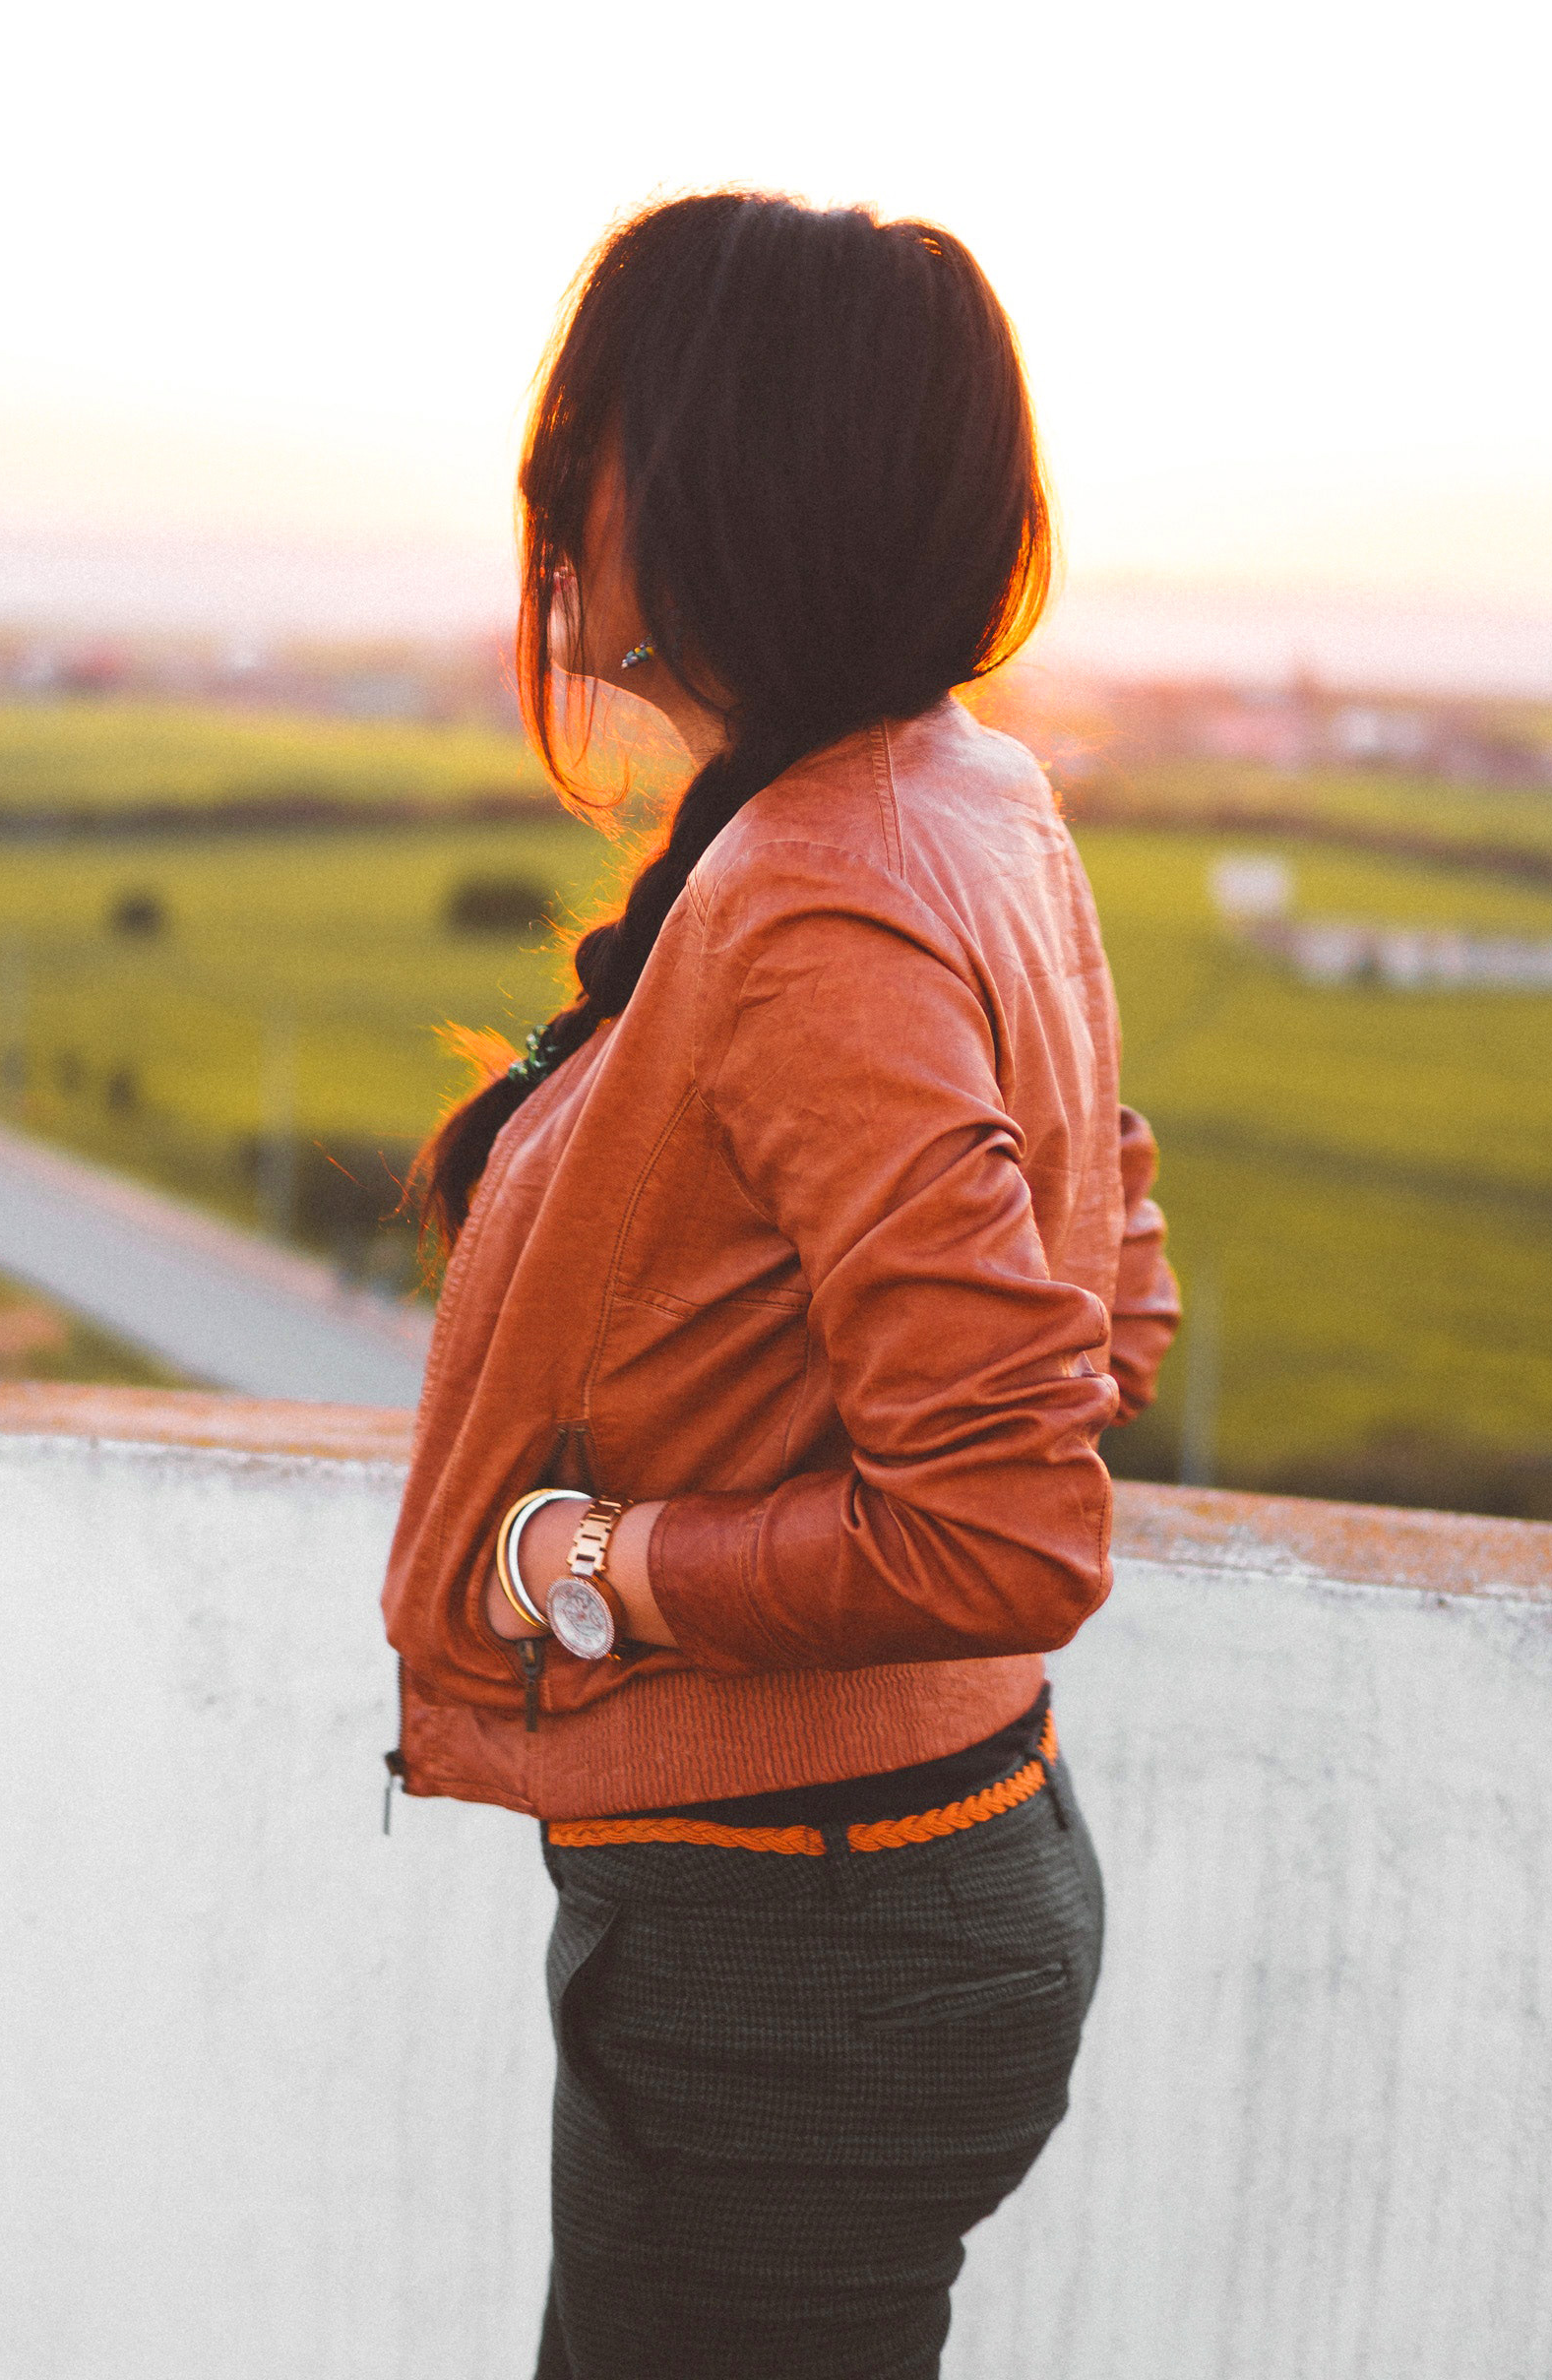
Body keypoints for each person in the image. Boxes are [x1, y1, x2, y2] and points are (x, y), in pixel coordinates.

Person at [382, 190, 1178, 2380]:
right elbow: (1114, 1280)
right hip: (883, 1876)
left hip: (795, 1938)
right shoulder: (967, 797)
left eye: (593, 440)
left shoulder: (820, 897)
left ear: (731, 481)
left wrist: (600, 1567)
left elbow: (1004, 1522)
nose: (554, 496)